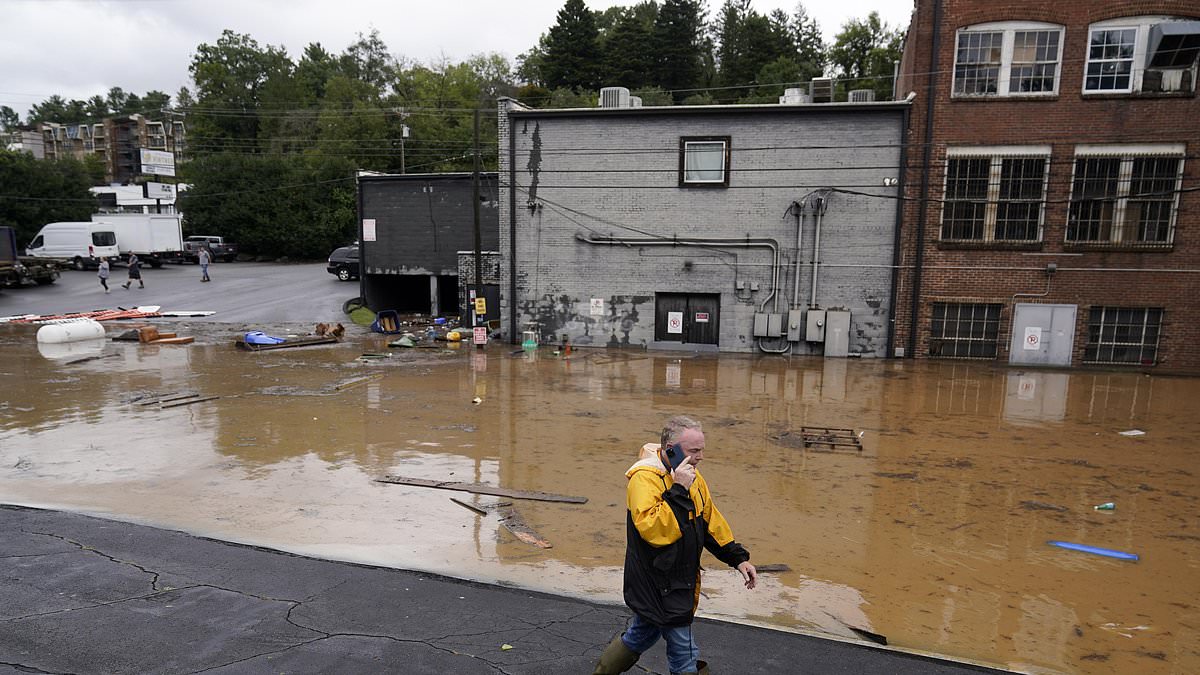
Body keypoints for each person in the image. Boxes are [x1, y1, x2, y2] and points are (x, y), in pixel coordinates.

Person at [593, 415, 757, 675]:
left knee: (641, 634)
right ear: (671, 449)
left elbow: (709, 520)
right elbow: (655, 530)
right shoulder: (644, 479)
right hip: (656, 582)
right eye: (694, 450)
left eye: (702, 449)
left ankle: (603, 672)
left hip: (678, 581)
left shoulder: (694, 477)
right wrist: (679, 489)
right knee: (684, 649)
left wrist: (738, 558)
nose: (701, 456)